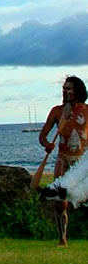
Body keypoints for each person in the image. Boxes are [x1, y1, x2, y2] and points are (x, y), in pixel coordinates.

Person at [38, 76, 88, 246]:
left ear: (78, 90)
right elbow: (42, 135)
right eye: (64, 88)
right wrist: (47, 145)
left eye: (69, 88)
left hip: (83, 160)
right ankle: (62, 238)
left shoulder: (87, 111)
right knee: (60, 202)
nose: (65, 91)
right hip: (63, 158)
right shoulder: (57, 111)